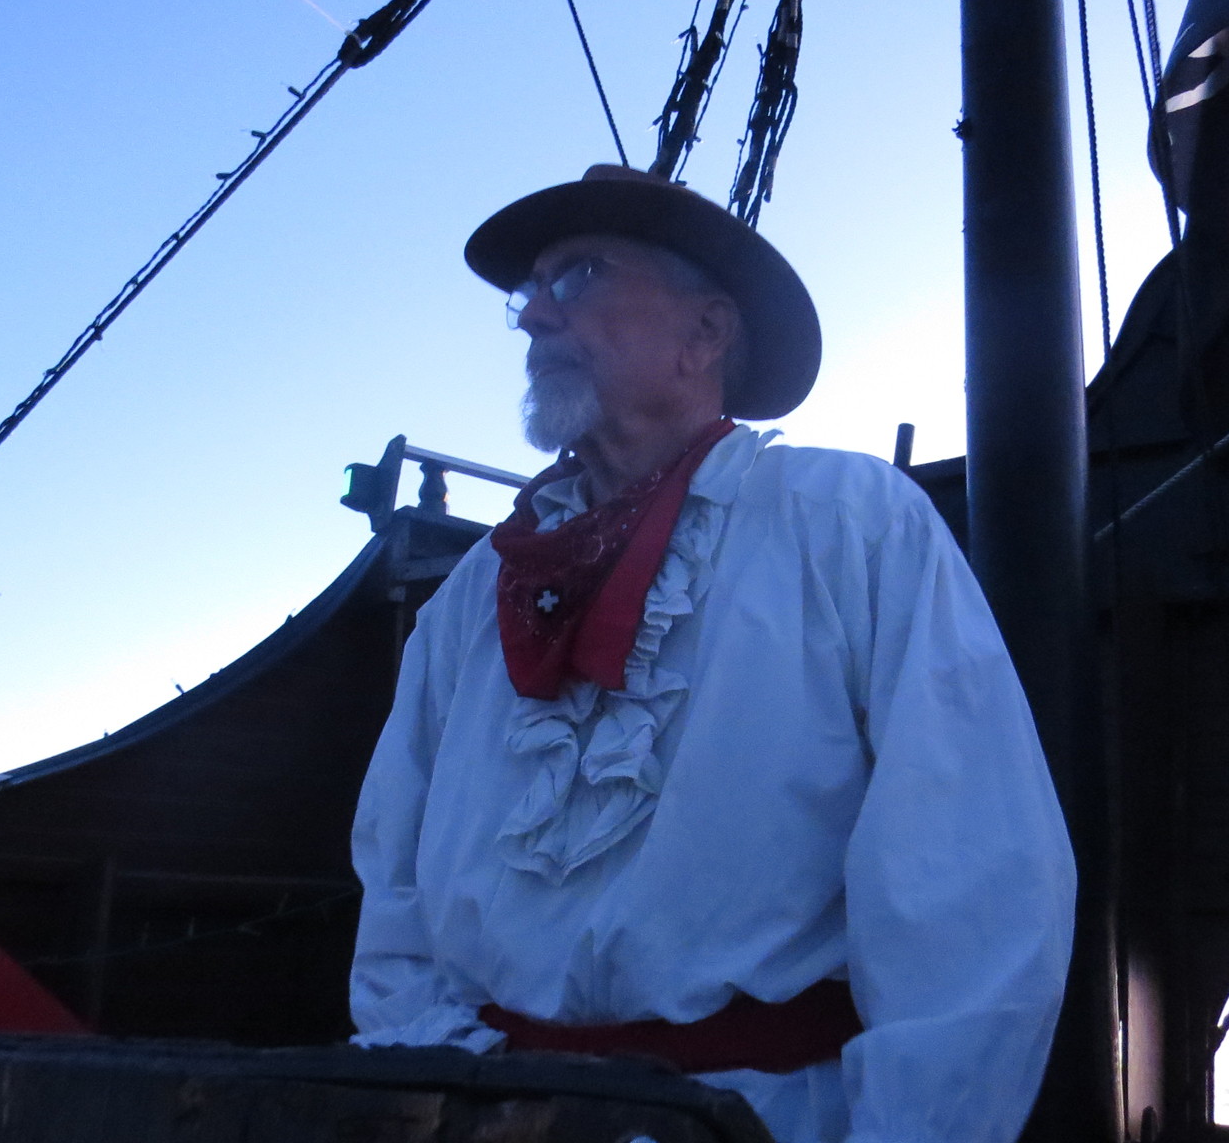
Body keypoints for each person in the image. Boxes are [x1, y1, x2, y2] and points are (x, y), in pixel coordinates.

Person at [348, 164, 1076, 1143]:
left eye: (578, 276)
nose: (531, 319)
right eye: (529, 290)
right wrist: (442, 1089)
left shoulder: (847, 523)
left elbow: (970, 891)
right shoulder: (473, 591)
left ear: (706, 333)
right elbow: (393, 890)